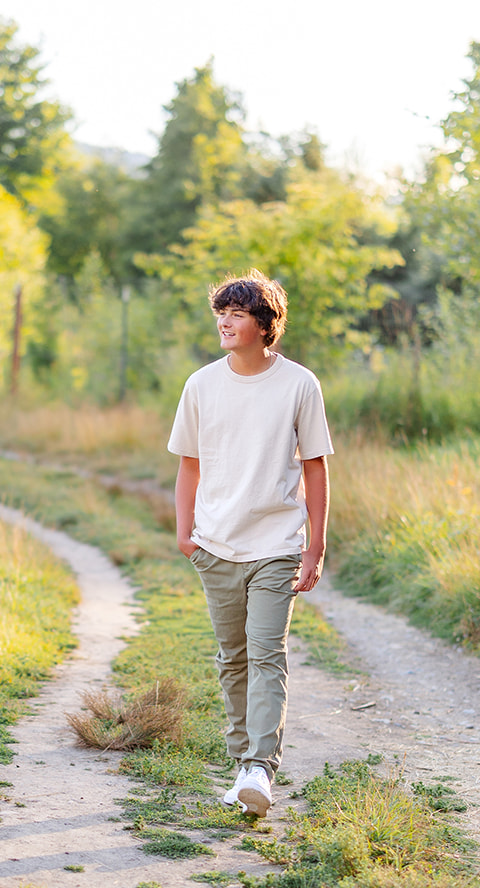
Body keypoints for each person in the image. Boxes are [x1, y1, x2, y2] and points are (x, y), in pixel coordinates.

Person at [167, 269, 333, 817]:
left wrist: (314, 546)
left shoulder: (299, 385)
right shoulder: (201, 385)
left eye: (237, 314)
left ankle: (261, 765)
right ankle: (244, 766)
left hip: (276, 544)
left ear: (265, 326)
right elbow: (188, 466)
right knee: (233, 659)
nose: (225, 321)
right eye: (221, 312)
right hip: (215, 544)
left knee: (267, 655)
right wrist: (185, 532)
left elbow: (315, 470)